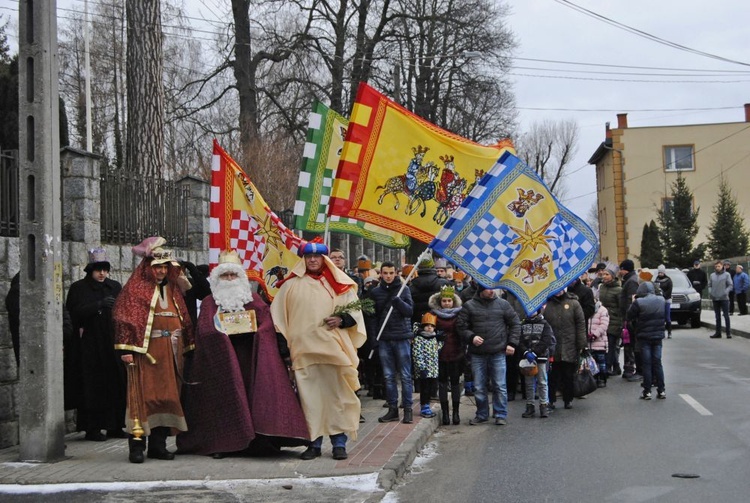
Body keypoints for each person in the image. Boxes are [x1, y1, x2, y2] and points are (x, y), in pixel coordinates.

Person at [176, 250, 308, 457]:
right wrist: (220, 337)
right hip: (222, 361)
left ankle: (259, 441)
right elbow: (204, 329)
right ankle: (224, 444)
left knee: (255, 396)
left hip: (250, 356)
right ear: (217, 278)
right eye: (225, 276)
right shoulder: (211, 302)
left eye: (233, 275)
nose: (229, 280)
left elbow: (267, 322)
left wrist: (259, 331)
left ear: (240, 277)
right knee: (224, 402)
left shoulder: (252, 299)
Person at [270, 242, 366, 461]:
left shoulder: (339, 284)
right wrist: (284, 348)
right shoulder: (290, 285)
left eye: (317, 256)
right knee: (310, 400)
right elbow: (278, 319)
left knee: (337, 398)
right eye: (309, 256)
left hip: (333, 350)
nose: (313, 260)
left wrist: (342, 319)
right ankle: (314, 443)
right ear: (303, 259)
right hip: (303, 352)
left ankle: (339, 443)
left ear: (325, 259)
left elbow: (356, 312)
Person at [113, 236, 194, 464]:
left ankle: (158, 446)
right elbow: (123, 317)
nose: (160, 272)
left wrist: (186, 344)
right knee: (142, 399)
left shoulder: (174, 290)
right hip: (144, 354)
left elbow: (185, 318)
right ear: (148, 267)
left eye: (164, 267)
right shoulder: (135, 290)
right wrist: (127, 349)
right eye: (157, 267)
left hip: (171, 352)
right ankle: (137, 447)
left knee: (167, 398)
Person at [65, 247, 126, 441]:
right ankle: (92, 428)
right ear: (90, 270)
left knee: (115, 384)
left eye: (104, 269)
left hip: (111, 343)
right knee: (92, 387)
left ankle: (115, 426)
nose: (101, 274)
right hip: (89, 346)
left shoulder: (114, 287)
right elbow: (73, 313)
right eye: (98, 269)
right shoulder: (79, 288)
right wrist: (97, 305)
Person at [457, 286, 521, 426]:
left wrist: (512, 343)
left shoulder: (503, 304)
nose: (491, 291)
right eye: (488, 289)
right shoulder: (469, 305)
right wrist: (471, 337)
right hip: (477, 353)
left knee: (499, 385)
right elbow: (461, 326)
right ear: (480, 289)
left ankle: (500, 414)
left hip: (498, 351)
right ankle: (482, 414)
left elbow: (515, 323)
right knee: (479, 386)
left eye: (493, 288)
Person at [368, 261, 415, 424]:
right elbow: (373, 318)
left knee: (405, 375)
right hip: (384, 339)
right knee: (388, 376)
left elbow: (409, 312)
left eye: (391, 273)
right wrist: (374, 339)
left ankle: (408, 408)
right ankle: (393, 409)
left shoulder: (404, 289)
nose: (388, 276)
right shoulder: (375, 292)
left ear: (396, 273)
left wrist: (399, 302)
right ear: (380, 274)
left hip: (401, 337)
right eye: (385, 273)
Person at [544, 288, 587, 410]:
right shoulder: (547, 304)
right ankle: (550, 400)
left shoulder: (574, 303)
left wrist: (581, 344)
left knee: (568, 375)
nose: (558, 291)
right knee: (552, 375)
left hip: (569, 344)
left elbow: (580, 324)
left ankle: (568, 399)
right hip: (552, 345)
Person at [429, 285, 463, 425]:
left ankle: (455, 412)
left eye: (449, 301)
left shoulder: (460, 314)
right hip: (440, 353)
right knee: (442, 384)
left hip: (456, 352)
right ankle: (445, 414)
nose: (447, 303)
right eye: (444, 301)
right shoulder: (433, 315)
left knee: (455, 383)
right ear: (440, 302)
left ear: (453, 302)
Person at [627, 282, 666, 400]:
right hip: (658, 336)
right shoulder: (662, 300)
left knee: (647, 364)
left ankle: (647, 391)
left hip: (644, 337)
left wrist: (633, 301)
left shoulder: (638, 303)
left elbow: (629, 316)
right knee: (657, 363)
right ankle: (661, 390)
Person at [517, 309, 554, 418]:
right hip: (527, 359)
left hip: (541, 357)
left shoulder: (544, 324)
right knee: (529, 383)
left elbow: (546, 340)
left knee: (542, 381)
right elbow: (520, 340)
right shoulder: (523, 324)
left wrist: (535, 352)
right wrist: (525, 352)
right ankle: (530, 405)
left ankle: (543, 405)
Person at [413, 312, 441, 419]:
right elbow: (417, 353)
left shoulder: (433, 338)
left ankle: (427, 406)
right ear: (423, 326)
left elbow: (436, 350)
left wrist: (441, 342)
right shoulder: (419, 338)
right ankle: (424, 408)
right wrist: (421, 367)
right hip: (424, 370)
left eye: (432, 326)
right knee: (424, 389)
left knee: (430, 389)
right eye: (427, 326)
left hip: (433, 369)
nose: (429, 328)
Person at [618, 259, 641, 381]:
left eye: (621, 269)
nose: (620, 272)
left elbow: (631, 302)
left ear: (624, 269)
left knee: (630, 344)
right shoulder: (629, 280)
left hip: (629, 320)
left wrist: (628, 319)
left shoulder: (631, 282)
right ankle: (629, 368)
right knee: (628, 344)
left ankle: (631, 369)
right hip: (628, 318)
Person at [598, 266, 623, 376]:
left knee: (611, 345)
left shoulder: (618, 290)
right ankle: (616, 366)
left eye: (607, 274)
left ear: (613, 276)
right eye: (603, 274)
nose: (604, 276)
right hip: (603, 319)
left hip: (614, 320)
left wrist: (620, 322)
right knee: (605, 344)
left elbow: (621, 307)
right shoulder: (601, 287)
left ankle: (608, 367)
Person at [588, 299, 610, 388]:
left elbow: (604, 324)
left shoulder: (603, 310)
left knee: (601, 362)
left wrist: (595, 334)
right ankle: (594, 379)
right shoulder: (587, 310)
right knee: (591, 363)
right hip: (589, 343)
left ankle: (602, 378)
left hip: (600, 341)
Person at [708, 260, 733, 339]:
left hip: (724, 298)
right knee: (717, 316)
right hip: (715, 298)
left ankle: (728, 333)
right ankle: (718, 333)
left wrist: (725, 292)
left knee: (726, 316)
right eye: (716, 266)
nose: (717, 268)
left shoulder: (726, 275)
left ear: (722, 266)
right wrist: (710, 292)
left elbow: (730, 285)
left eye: (719, 266)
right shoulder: (712, 275)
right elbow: (709, 285)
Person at [653, 265, 673, 338]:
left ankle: (669, 331)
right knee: (660, 317)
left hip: (666, 300)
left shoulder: (668, 280)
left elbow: (669, 291)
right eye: (659, 273)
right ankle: (661, 332)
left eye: (661, 273)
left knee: (667, 317)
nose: (660, 274)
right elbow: (655, 289)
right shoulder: (656, 280)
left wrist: (663, 295)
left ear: (664, 272)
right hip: (659, 300)